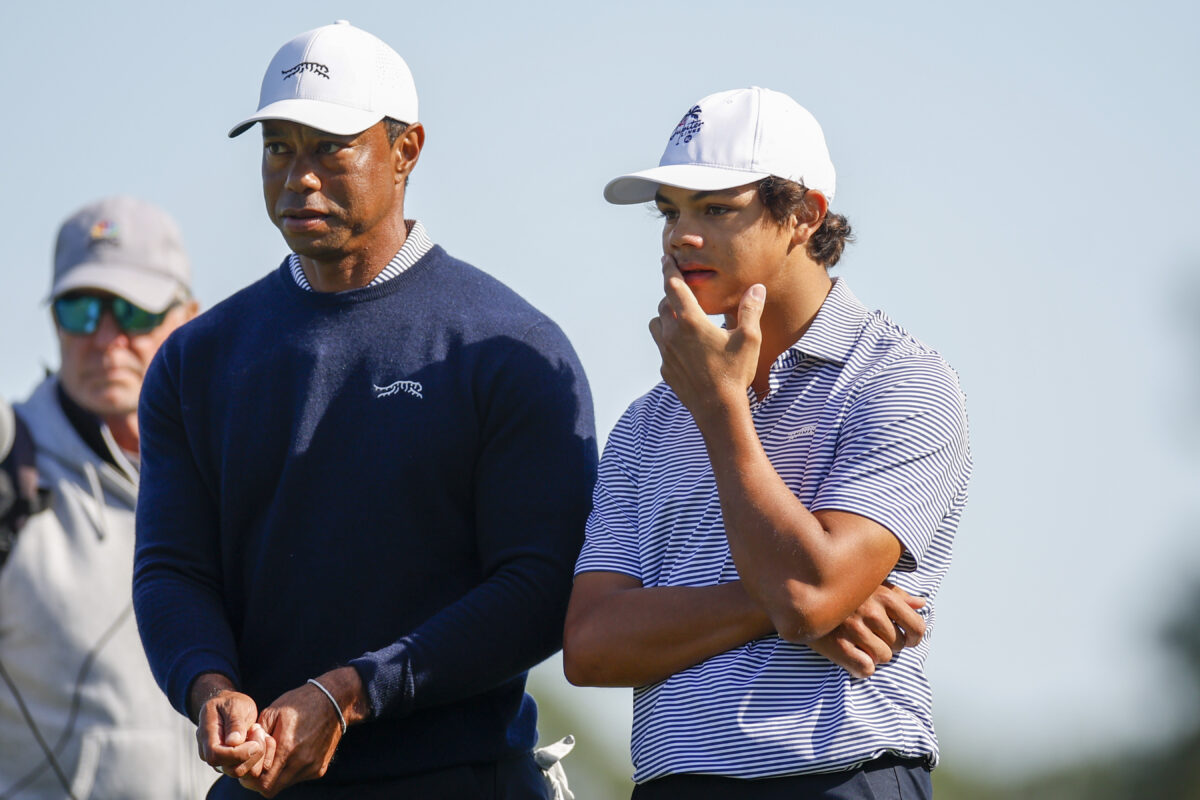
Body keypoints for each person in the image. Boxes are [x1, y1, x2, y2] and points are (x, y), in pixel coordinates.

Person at [132, 20, 596, 800]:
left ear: (407, 148)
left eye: (329, 147)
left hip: (462, 781)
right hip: (261, 784)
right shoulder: (196, 357)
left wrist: (350, 694)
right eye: (279, 147)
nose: (298, 177)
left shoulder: (508, 345)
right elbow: (172, 570)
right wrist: (209, 688)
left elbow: (542, 587)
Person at [563, 87, 971, 798]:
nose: (679, 235)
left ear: (804, 216)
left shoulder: (904, 381)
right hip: (674, 783)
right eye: (670, 211)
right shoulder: (647, 420)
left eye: (716, 209)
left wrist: (723, 412)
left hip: (842, 776)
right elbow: (593, 644)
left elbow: (810, 595)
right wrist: (778, 603)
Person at [0, 196, 212, 798]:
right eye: (80, 309)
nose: (106, 338)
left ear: (189, 321)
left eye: (133, 311)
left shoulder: (239, 475)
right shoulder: (7, 470)